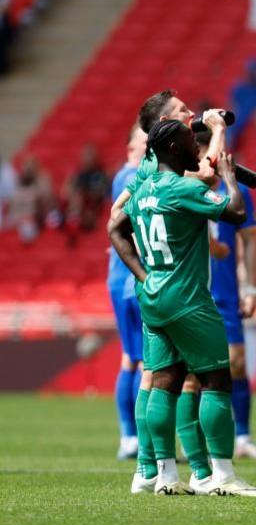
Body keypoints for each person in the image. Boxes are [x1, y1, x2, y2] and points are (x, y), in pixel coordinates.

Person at [108, 118, 256, 496]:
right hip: (189, 298)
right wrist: (229, 175)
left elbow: (115, 228)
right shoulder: (182, 189)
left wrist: (143, 275)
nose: (197, 147)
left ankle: (164, 476)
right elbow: (237, 214)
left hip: (154, 296)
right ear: (175, 150)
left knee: (165, 381)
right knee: (216, 381)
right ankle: (224, 476)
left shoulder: (145, 189)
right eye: (189, 142)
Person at [203, 131, 256, 461]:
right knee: (191, 373)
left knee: (237, 364)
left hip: (226, 292)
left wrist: (251, 286)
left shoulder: (236, 191)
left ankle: (242, 436)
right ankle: (197, 441)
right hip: (193, 290)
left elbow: (250, 240)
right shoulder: (184, 186)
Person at [107, 126, 148, 461]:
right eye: (143, 139)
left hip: (122, 278)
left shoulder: (129, 176)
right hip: (130, 278)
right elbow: (126, 227)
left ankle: (130, 437)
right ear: (130, 145)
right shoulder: (130, 177)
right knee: (144, 360)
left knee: (131, 358)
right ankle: (135, 436)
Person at [65, 143, 110, 235]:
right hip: (81, 206)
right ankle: (73, 221)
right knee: (75, 198)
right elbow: (67, 192)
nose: (86, 159)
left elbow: (100, 194)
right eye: (85, 156)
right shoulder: (78, 175)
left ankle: (75, 220)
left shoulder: (100, 174)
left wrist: (84, 193)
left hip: (94, 208)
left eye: (89, 155)